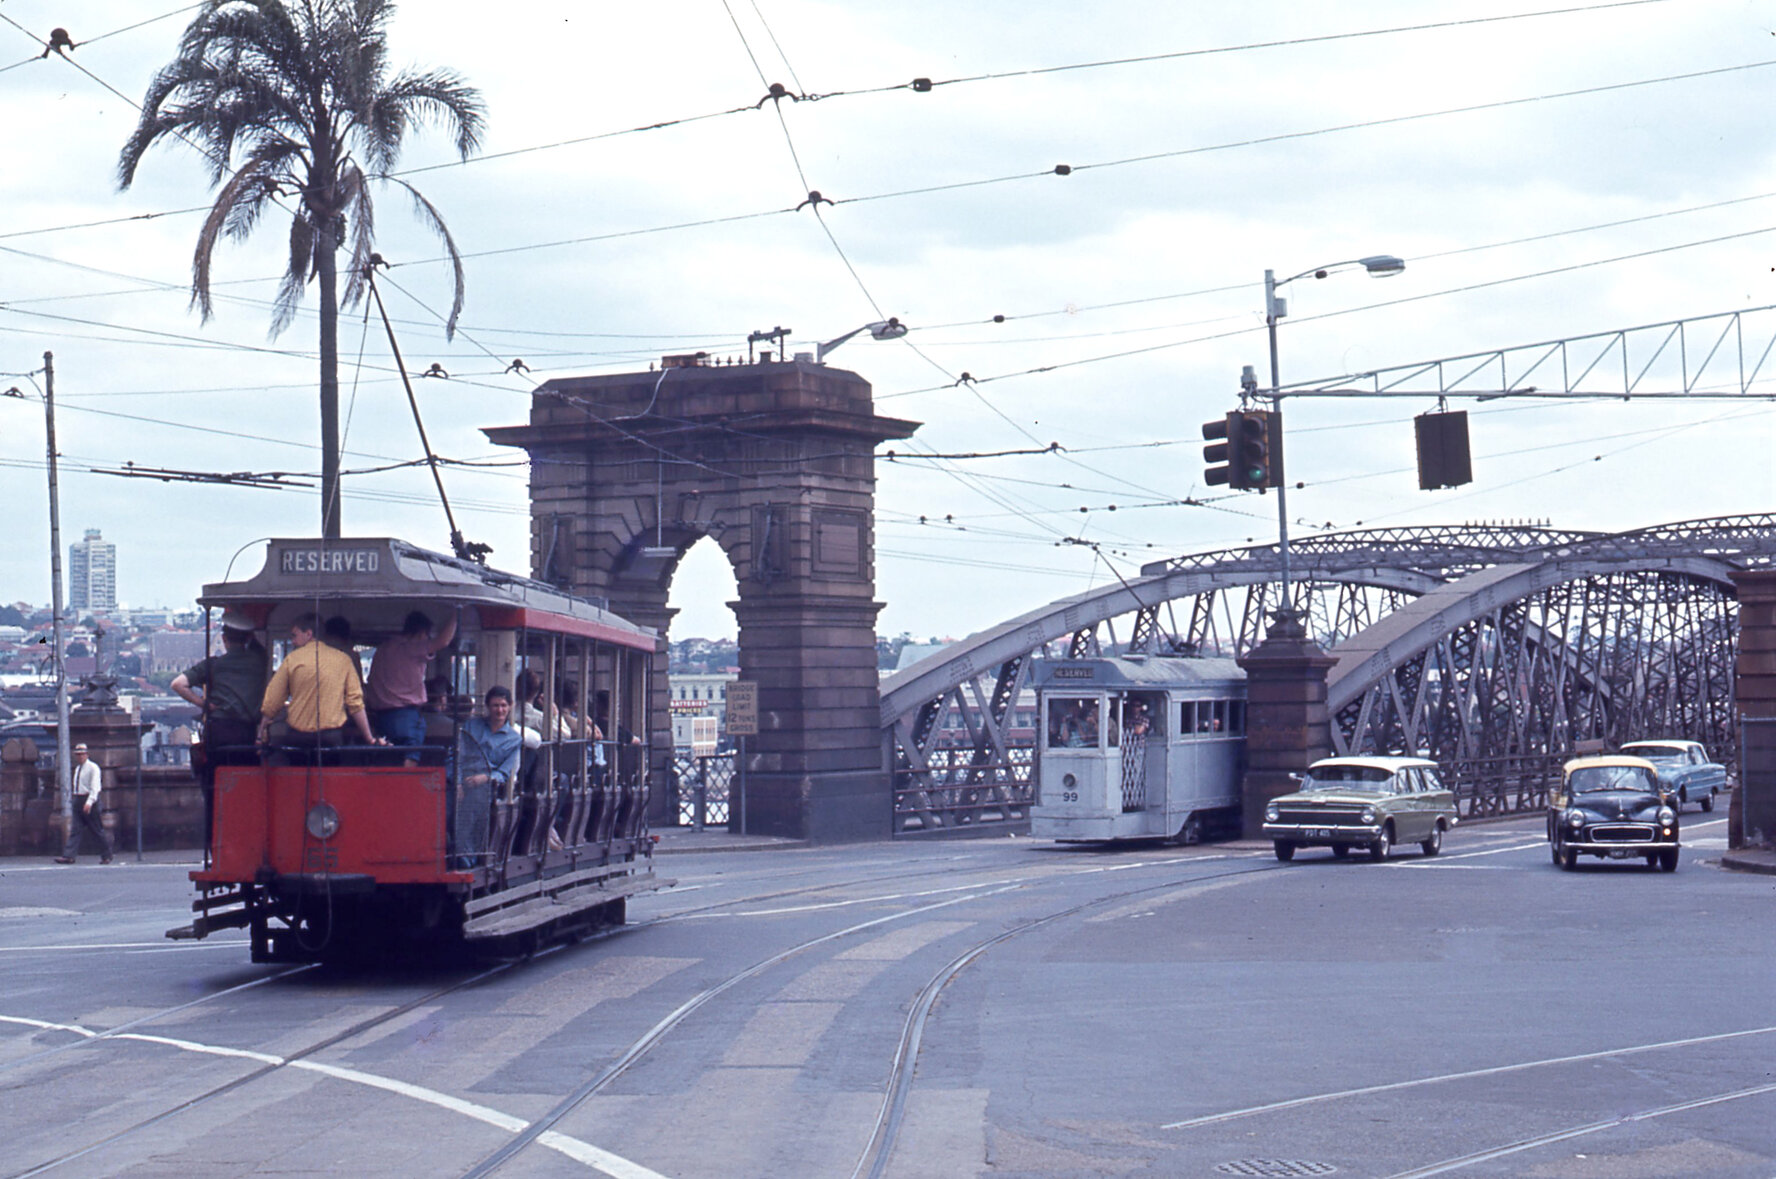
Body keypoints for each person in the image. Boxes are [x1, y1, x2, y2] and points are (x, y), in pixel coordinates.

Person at [171, 615, 269, 849]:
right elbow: (258, 646)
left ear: (224, 640)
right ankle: (249, 842)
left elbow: (177, 684)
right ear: (247, 638)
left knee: (214, 792)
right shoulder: (259, 661)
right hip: (247, 734)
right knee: (249, 790)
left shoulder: (214, 665)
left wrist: (203, 703)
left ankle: (216, 845)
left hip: (219, 733)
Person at [258, 613, 383, 759]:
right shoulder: (343, 660)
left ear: (309, 634)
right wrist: (369, 738)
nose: (292, 641)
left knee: (296, 777)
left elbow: (272, 701)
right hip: (331, 737)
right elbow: (355, 703)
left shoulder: (291, 660)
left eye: (295, 635)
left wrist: (260, 735)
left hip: (298, 737)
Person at [364, 610, 457, 758]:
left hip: (381, 717)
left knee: (390, 760)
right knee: (410, 758)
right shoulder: (411, 646)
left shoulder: (384, 648)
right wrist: (456, 614)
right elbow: (443, 641)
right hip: (405, 715)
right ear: (421, 633)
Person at [455, 685, 522, 867]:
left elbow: (504, 772)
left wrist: (485, 777)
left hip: (486, 786)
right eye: (495, 706)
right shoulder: (471, 726)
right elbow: (457, 756)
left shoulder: (514, 739)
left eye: (503, 705)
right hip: (462, 779)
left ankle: (465, 854)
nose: (499, 710)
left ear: (509, 706)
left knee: (476, 798)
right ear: (487, 707)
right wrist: (458, 782)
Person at [54, 744, 112, 865]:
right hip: (78, 799)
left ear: (86, 754)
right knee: (75, 829)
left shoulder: (93, 768)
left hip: (89, 800)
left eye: (81, 754)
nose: (79, 757)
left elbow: (95, 787)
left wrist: (89, 802)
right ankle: (69, 855)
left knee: (97, 830)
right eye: (77, 755)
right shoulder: (78, 769)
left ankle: (106, 855)